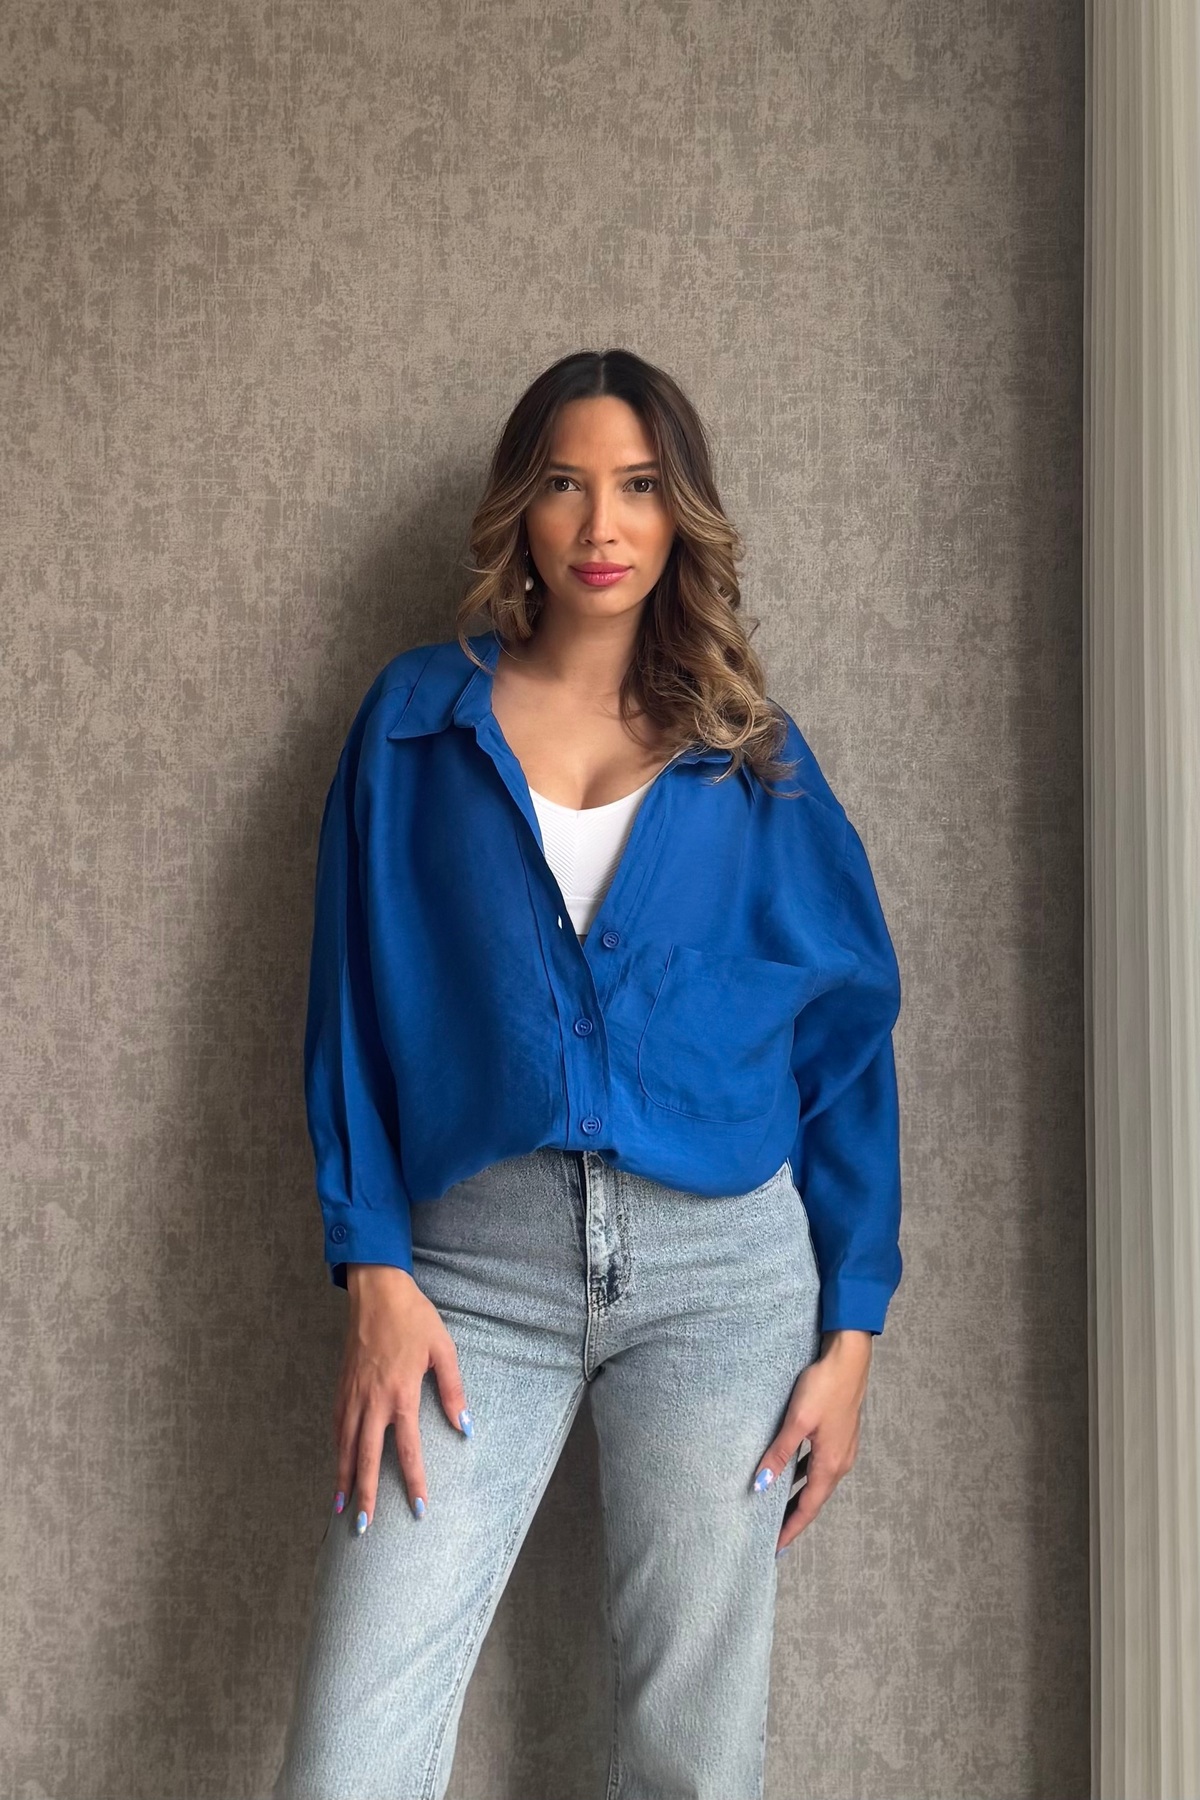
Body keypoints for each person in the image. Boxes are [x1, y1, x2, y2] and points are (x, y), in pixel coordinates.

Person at [271, 348, 903, 1800]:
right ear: (523, 507)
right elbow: (350, 1004)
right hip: (470, 1280)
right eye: (566, 482)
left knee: (693, 1759)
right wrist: (373, 1269)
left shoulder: (753, 757)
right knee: (349, 1755)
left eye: (638, 486)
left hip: (724, 1283)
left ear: (682, 515)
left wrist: (853, 1331)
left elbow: (846, 1043)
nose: (601, 524)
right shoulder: (413, 725)